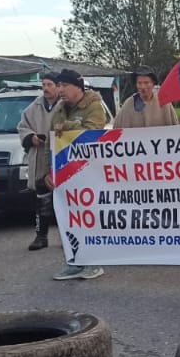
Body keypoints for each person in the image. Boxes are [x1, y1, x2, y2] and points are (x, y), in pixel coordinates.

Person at [47, 69, 110, 281]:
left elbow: (92, 133)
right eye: (59, 85)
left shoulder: (94, 106)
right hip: (67, 174)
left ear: (78, 86)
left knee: (89, 217)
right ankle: (74, 261)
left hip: (90, 173)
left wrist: (66, 126)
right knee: (69, 218)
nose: (60, 90)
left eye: (65, 85)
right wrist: (50, 171)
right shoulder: (59, 109)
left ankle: (93, 262)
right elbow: (53, 142)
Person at [18, 71, 62, 251]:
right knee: (41, 200)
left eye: (50, 85)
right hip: (41, 157)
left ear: (59, 87)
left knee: (64, 200)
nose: (46, 88)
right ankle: (41, 236)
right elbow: (22, 127)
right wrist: (31, 138)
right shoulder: (33, 107)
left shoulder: (66, 105)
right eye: (44, 85)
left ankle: (67, 236)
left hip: (61, 157)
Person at [115, 66, 179, 128]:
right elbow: (116, 130)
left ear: (153, 83)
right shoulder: (128, 105)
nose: (142, 87)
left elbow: (176, 129)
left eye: (146, 83)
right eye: (139, 83)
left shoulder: (164, 103)